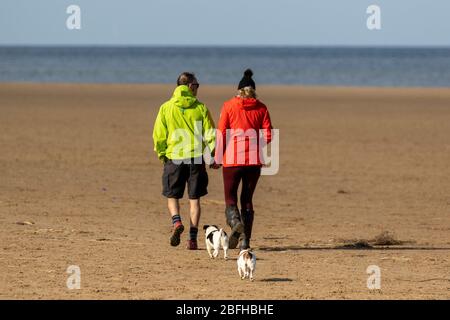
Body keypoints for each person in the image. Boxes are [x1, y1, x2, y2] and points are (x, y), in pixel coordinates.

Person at [153, 72, 216, 250]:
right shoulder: (200, 107)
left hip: (174, 157)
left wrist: (162, 154)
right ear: (188, 86)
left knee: (172, 195)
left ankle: (176, 222)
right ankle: (192, 238)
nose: (197, 89)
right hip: (195, 158)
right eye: (196, 86)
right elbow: (210, 133)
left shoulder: (166, 107)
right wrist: (213, 153)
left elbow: (159, 134)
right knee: (194, 200)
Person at [215, 69, 273, 250]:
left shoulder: (229, 105)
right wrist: (256, 144)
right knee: (247, 199)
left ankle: (235, 223)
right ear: (253, 90)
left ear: (238, 90)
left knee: (230, 198)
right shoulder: (262, 107)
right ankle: (245, 240)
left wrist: (217, 157)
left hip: (232, 160)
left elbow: (222, 133)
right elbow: (269, 134)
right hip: (254, 161)